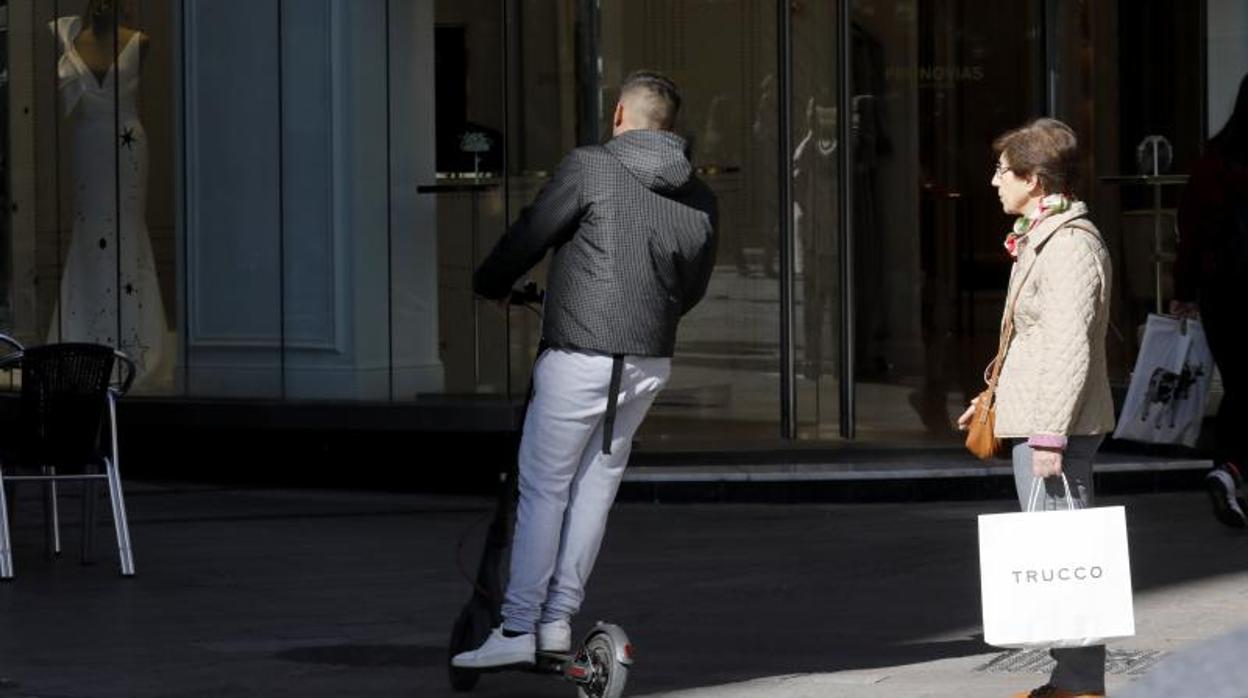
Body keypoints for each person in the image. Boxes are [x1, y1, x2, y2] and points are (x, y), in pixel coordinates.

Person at [452, 71, 718, 669]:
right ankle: (556, 622)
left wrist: (490, 283)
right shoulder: (700, 196)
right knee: (595, 491)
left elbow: (533, 232)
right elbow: (692, 287)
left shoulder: (593, 166)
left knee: (544, 489)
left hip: (580, 354)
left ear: (620, 115)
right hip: (646, 362)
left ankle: (518, 626)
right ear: (669, 126)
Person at [959, 118, 1115, 698]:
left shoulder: (1070, 245)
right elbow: (1033, 340)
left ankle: (1079, 684)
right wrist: (994, 398)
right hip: (1040, 418)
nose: (994, 181)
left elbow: (1069, 344)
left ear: (1034, 179)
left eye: (1003, 171)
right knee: (1058, 558)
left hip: (1057, 428)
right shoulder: (1043, 236)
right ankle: (1070, 680)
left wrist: (1049, 434)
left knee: (1067, 560)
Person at [48, 0, 172, 390]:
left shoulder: (140, 41)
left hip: (127, 147)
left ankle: (134, 345)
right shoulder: (70, 40)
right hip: (89, 147)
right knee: (88, 234)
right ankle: (84, 340)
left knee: (128, 232)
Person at [1171, 74, 1248, 529]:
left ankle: (1228, 470)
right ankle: (1229, 469)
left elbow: (1191, 234)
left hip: (1223, 293)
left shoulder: (1212, 163)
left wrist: (1183, 291)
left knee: (1238, 383)